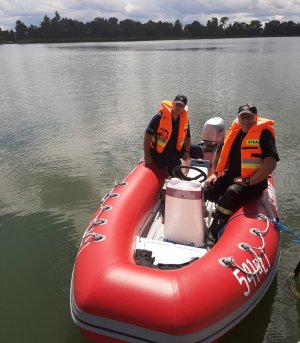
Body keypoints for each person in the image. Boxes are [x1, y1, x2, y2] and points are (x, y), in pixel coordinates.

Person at [204, 103, 280, 241]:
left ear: (255, 118)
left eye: (249, 117)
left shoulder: (263, 134)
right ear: (238, 118)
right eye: (242, 117)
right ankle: (224, 208)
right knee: (209, 189)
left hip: (253, 182)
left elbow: (271, 162)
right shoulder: (234, 131)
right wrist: (214, 173)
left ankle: (217, 224)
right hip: (232, 177)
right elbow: (219, 151)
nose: (245, 121)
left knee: (232, 191)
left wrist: (249, 181)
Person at [144, 94, 202, 175]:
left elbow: (187, 137)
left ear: (184, 107)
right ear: (172, 103)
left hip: (175, 149)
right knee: (176, 163)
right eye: (177, 104)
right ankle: (180, 181)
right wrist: (147, 157)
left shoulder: (184, 119)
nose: (178, 107)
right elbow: (147, 135)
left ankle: (200, 176)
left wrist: (187, 152)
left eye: (181, 105)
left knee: (197, 150)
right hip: (159, 152)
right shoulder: (159, 117)